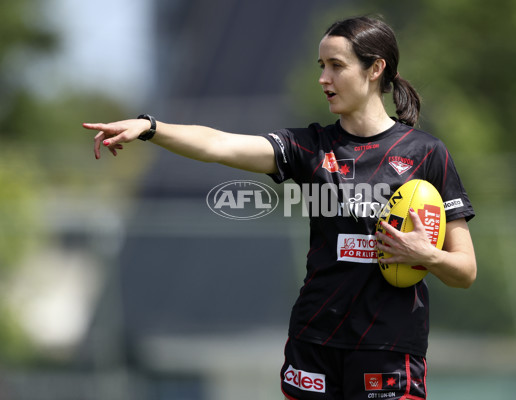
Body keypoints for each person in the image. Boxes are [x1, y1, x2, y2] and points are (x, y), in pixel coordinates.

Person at [83, 15, 476, 400]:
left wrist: (425, 254)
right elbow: (221, 145)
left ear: (375, 69)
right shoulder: (309, 147)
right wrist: (151, 128)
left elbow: (465, 271)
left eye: (336, 66)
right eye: (321, 66)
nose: (324, 78)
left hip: (389, 348)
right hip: (315, 341)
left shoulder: (426, 153)